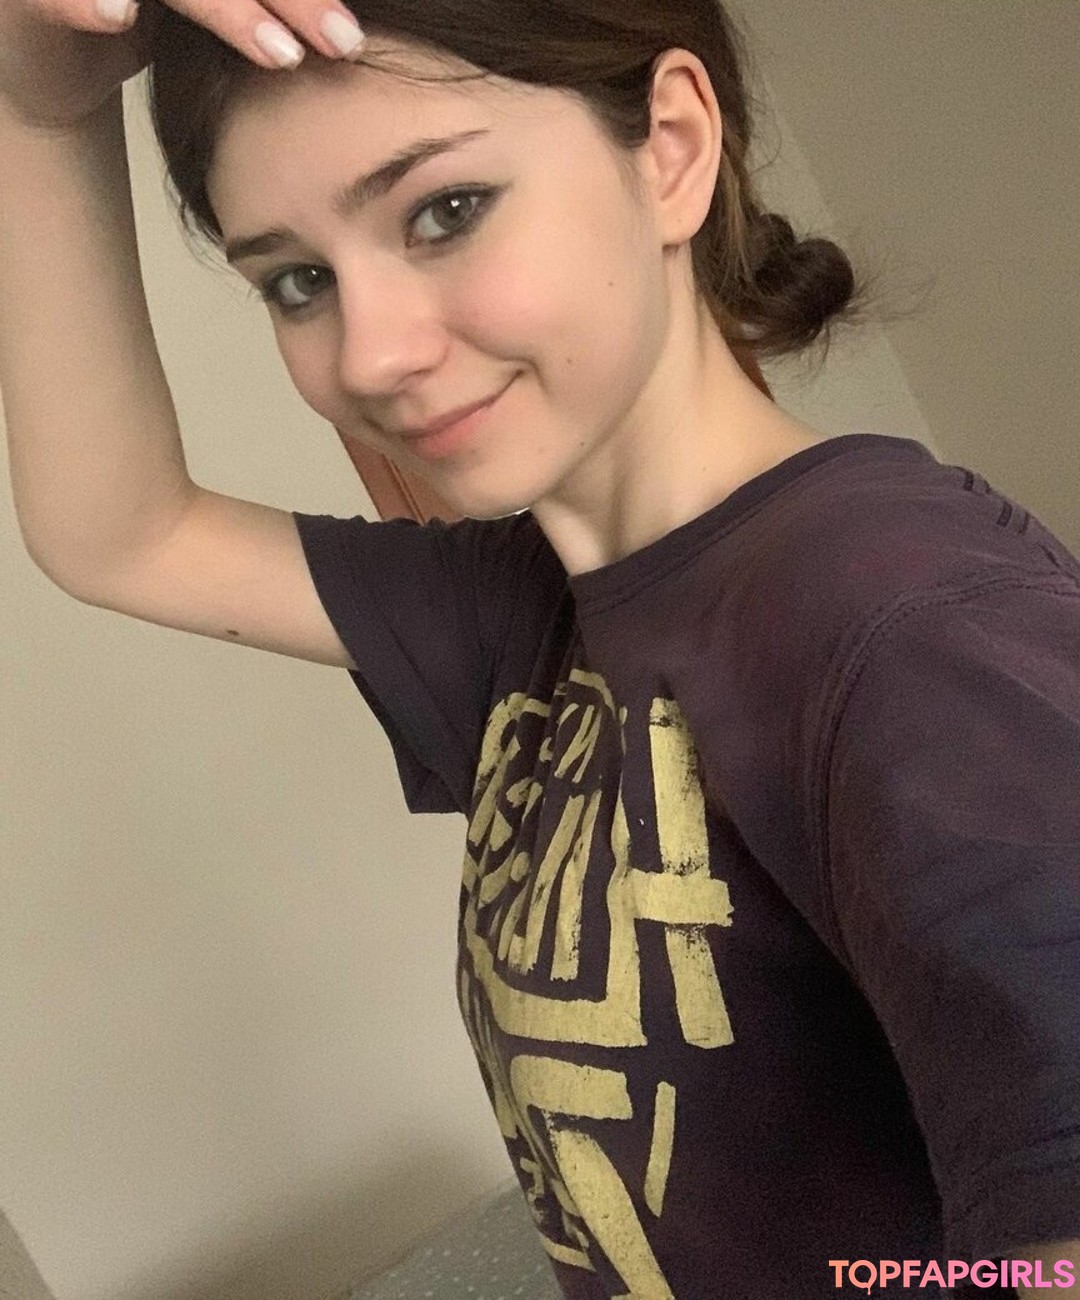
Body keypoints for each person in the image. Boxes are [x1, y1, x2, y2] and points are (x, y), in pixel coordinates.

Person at [1, 2, 1077, 1296]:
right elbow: (120, 534)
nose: (372, 355)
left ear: (670, 146)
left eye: (444, 211)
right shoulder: (529, 603)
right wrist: (37, 107)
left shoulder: (912, 633)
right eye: (298, 281)